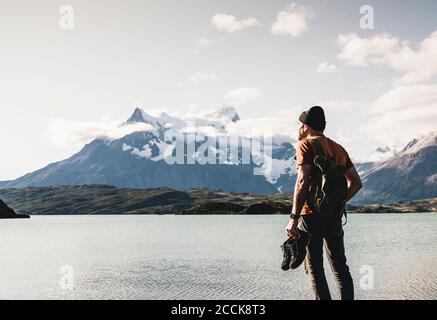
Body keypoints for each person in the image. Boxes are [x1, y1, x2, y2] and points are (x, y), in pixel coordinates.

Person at [285, 106, 362, 300]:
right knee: (339, 267)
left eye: (300, 125)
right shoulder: (338, 149)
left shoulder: (305, 145)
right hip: (334, 215)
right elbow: (356, 183)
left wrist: (293, 217)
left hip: (310, 215)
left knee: (315, 269)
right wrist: (337, 203)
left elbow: (303, 181)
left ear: (305, 126)